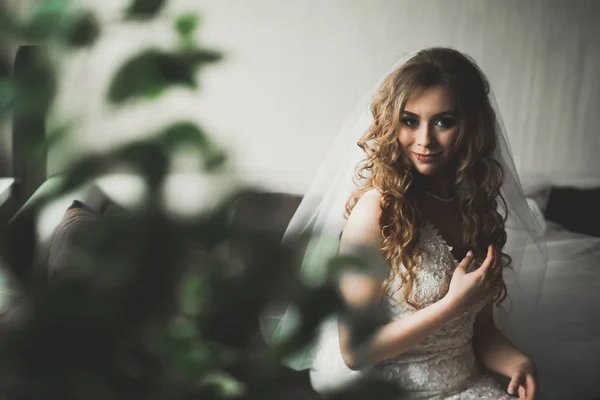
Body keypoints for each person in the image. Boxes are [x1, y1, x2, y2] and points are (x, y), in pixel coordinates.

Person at [263, 47, 547, 400]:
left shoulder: (475, 209)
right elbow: (356, 351)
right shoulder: (378, 211)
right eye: (410, 121)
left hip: (468, 384)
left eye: (444, 121)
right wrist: (452, 304)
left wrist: (518, 363)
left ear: (471, 125)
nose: (425, 140)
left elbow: (481, 332)